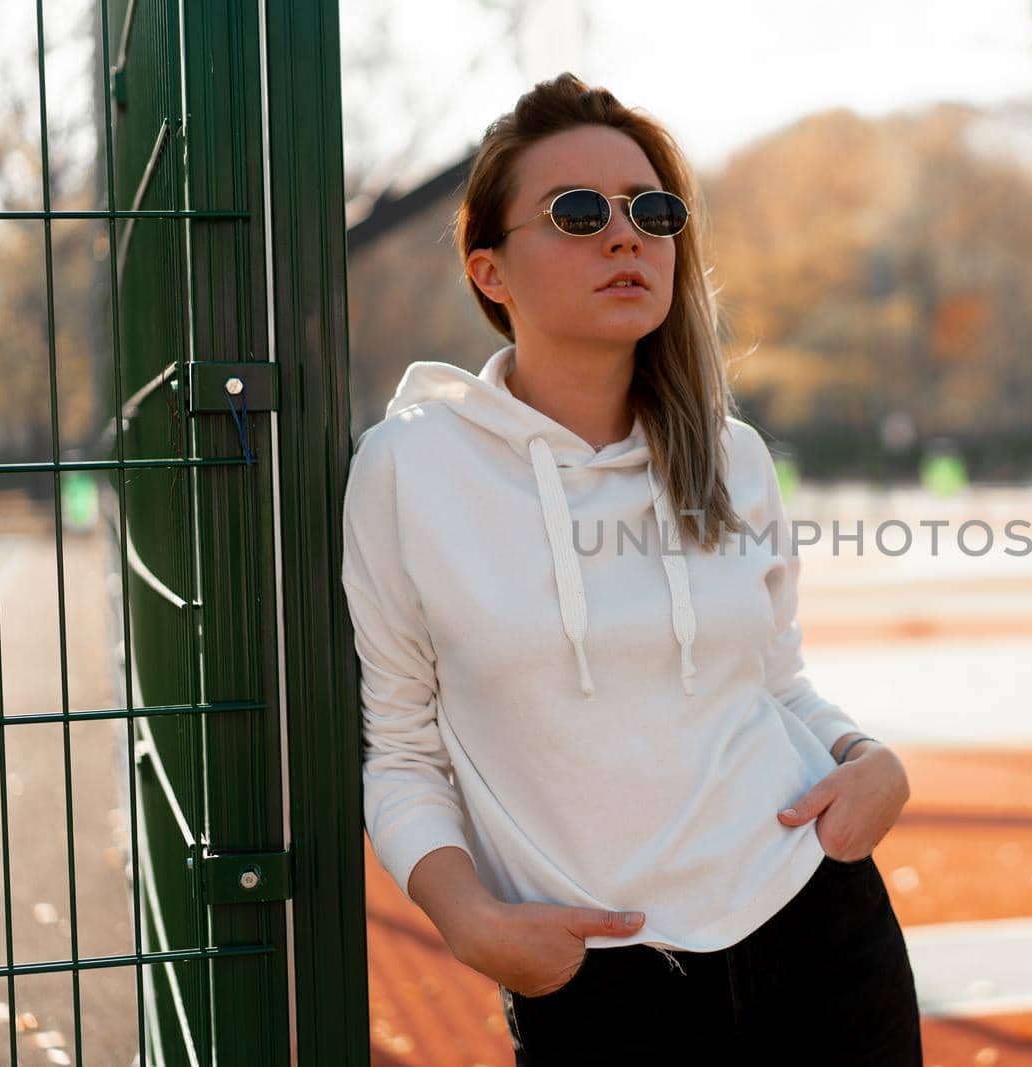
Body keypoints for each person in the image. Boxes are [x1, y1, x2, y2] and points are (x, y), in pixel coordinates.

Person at [340, 72, 922, 1065]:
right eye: (577, 213)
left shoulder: (729, 452)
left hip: (819, 932)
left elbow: (774, 680)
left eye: (653, 210)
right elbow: (401, 746)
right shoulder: (409, 467)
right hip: (600, 975)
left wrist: (869, 758)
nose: (626, 236)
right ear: (489, 270)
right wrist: (466, 916)